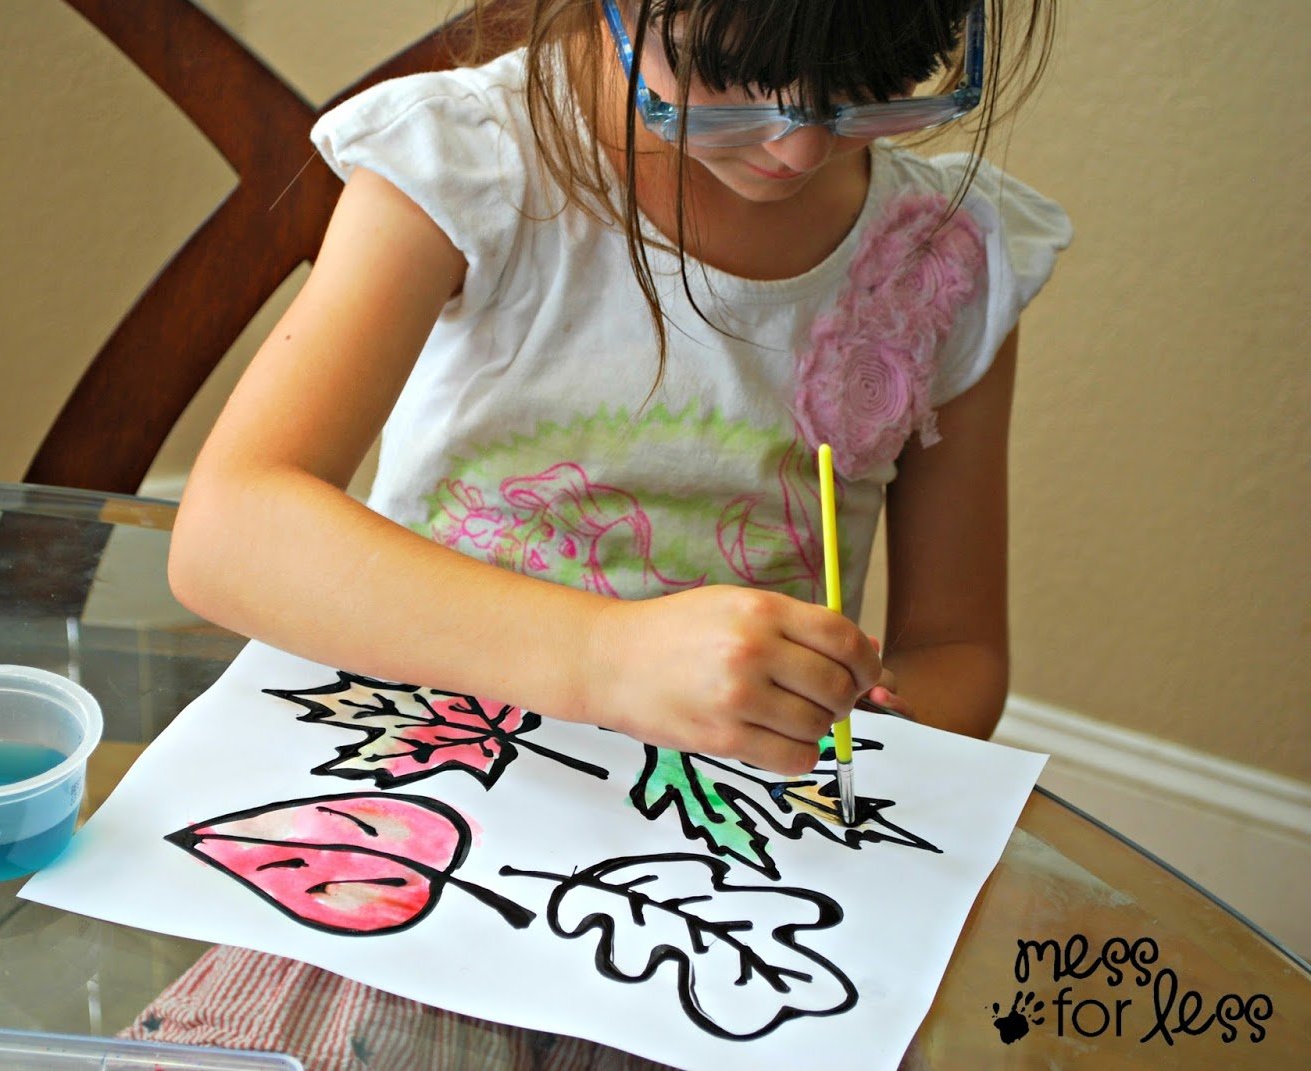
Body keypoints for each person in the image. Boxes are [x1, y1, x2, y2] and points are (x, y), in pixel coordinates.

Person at [151, 1, 1069, 1065]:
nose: (796, 146)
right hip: (422, 829)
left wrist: (865, 726)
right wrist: (607, 660)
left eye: (871, 84)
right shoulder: (472, 167)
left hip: (729, 880)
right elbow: (230, 529)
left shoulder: (941, 266)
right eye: (723, 72)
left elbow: (955, 652)